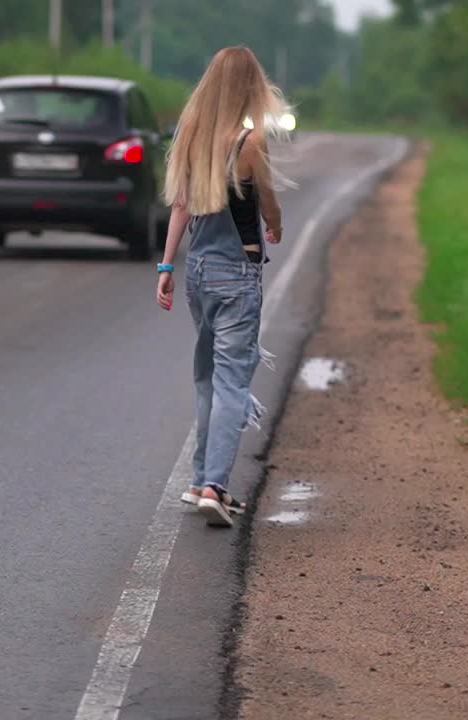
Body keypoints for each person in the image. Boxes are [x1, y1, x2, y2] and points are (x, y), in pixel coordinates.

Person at [155, 46, 287, 528]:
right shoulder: (249, 142)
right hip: (237, 275)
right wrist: (275, 224)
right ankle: (215, 486)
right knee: (232, 381)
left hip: (198, 273)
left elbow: (180, 207)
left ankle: (198, 481)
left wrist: (165, 267)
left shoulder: (191, 136)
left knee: (207, 377)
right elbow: (267, 201)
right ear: (251, 87)